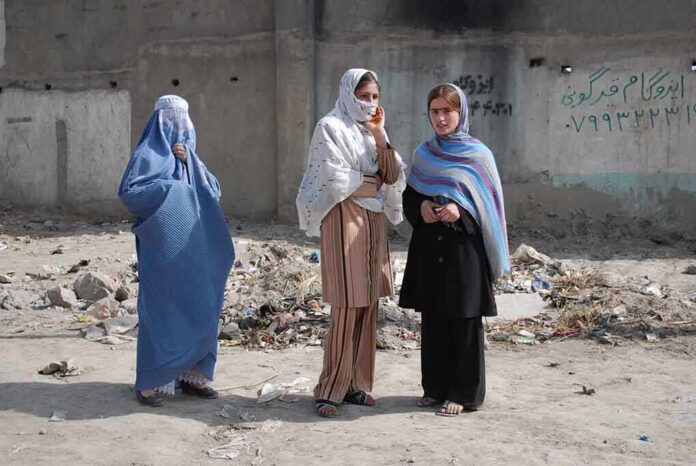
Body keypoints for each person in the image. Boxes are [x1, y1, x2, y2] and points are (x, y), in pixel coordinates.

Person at [297, 68, 406, 417]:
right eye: (364, 96)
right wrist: (370, 181)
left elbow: (390, 175)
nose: (370, 103)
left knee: (368, 304)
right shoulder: (330, 127)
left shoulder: (372, 131)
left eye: (375, 97)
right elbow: (332, 177)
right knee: (346, 304)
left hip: (373, 222)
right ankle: (330, 388)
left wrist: (378, 135)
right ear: (348, 94)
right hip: (343, 220)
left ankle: (358, 385)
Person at [398, 83, 510, 416]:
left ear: (460, 113)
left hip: (464, 250)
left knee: (463, 320)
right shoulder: (423, 154)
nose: (441, 118)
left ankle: (464, 393)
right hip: (430, 248)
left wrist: (460, 212)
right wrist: (423, 209)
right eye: (435, 111)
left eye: (448, 111)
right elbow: (410, 197)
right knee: (433, 319)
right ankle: (434, 388)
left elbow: (488, 210)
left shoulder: (479, 156)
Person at [118, 95, 234, 407]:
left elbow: (214, 192)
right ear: (158, 123)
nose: (178, 127)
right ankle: (150, 383)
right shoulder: (147, 154)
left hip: (197, 249)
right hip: (163, 251)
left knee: (202, 306)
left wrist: (190, 164)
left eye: (183, 119)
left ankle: (193, 377)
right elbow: (130, 194)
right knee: (163, 312)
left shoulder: (192, 160)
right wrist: (172, 188)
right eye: (171, 120)